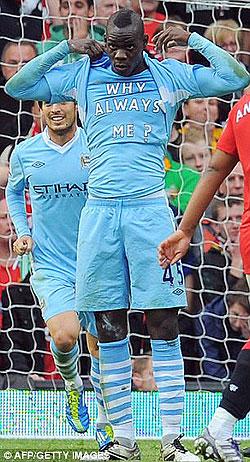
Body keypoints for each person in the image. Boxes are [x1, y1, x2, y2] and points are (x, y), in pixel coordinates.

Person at [5, 8, 250, 461]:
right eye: (112, 46)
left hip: (149, 214)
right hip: (97, 217)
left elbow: (235, 78)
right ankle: (122, 442)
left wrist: (194, 38)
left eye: (128, 47)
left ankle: (172, 440)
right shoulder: (83, 73)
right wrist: (65, 47)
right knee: (109, 324)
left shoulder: (169, 74)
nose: (118, 55)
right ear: (104, 42)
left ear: (144, 42)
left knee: (162, 322)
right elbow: (15, 88)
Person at [5, 100, 113, 451]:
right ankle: (71, 386)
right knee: (65, 336)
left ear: (77, 105)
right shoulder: (25, 152)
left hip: (98, 261)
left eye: (64, 101)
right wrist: (23, 231)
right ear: (38, 107)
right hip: (52, 265)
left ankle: (104, 421)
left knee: (100, 347)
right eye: (49, 102)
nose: (56, 108)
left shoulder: (96, 145)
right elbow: (13, 191)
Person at [158, 92, 250, 461]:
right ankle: (218, 430)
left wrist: (185, 228)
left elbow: (215, 169)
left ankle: (220, 429)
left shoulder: (244, 103)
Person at [0, 40, 37, 153]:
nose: (19, 70)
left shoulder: (49, 98)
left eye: (26, 64)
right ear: (2, 66)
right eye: (12, 63)